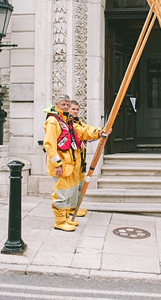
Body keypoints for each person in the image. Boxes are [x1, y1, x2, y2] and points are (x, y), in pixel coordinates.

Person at [43, 95, 108, 232]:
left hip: (71, 164)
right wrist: (57, 164)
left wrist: (99, 132)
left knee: (69, 191)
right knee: (61, 193)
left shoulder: (68, 121)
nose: (66, 107)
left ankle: (66, 217)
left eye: (67, 105)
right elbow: (49, 145)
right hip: (62, 165)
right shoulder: (53, 121)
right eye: (63, 105)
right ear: (56, 105)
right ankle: (59, 221)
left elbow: (82, 131)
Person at [69, 100, 88, 218]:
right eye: (73, 109)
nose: (75, 111)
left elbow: (87, 130)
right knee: (73, 184)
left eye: (77, 109)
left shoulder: (79, 121)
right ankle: (71, 207)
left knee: (80, 183)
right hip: (72, 158)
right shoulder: (68, 123)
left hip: (81, 157)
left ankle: (76, 206)